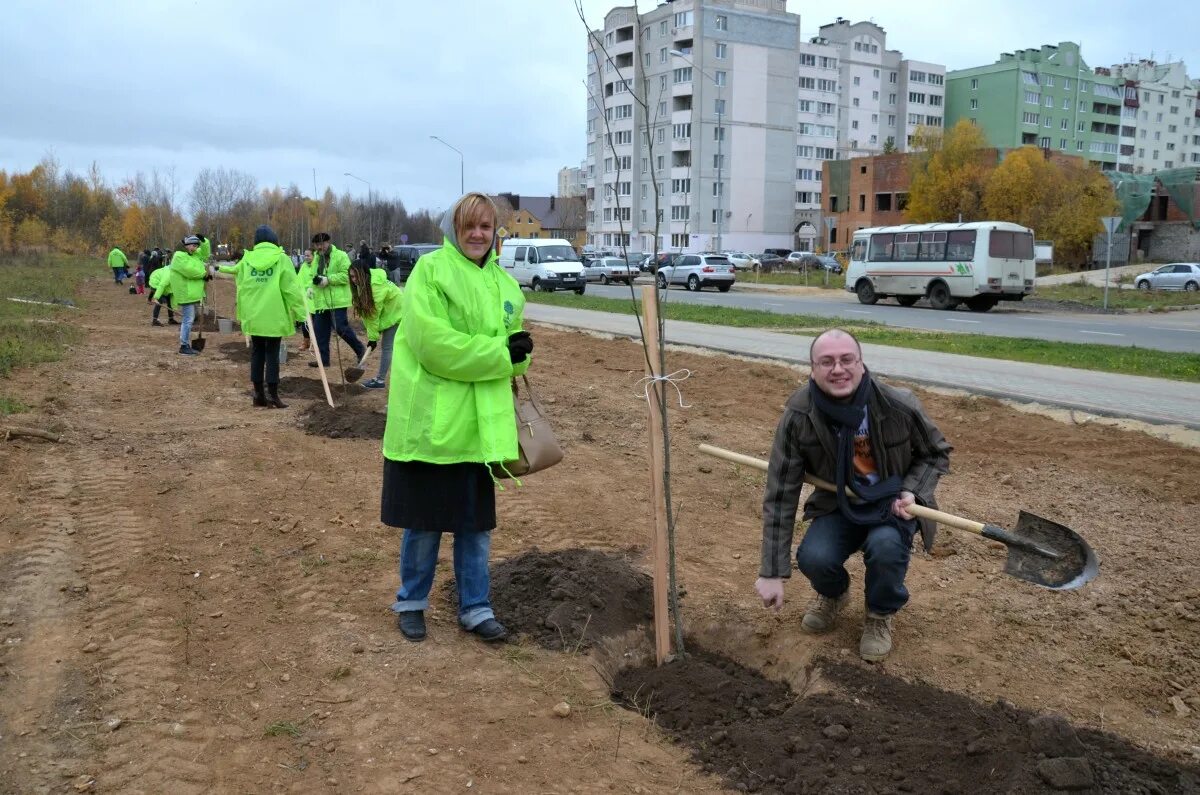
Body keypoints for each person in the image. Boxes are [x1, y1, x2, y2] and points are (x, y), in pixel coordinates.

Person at [382, 192, 532, 644]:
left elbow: (511, 350)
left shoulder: (505, 285)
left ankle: (476, 608)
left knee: (475, 527)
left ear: (494, 233)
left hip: (481, 427)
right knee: (425, 524)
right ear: (453, 228)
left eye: (486, 227)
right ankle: (411, 602)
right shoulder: (430, 272)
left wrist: (520, 356)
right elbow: (434, 347)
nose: (478, 234)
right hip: (435, 424)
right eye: (469, 225)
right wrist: (502, 354)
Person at [755, 328, 951, 662]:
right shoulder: (799, 416)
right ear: (813, 369)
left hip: (892, 505)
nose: (838, 369)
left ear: (861, 364)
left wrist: (912, 491)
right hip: (838, 504)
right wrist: (771, 571)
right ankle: (834, 594)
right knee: (814, 557)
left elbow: (936, 453)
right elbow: (781, 493)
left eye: (847, 359)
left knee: (886, 548)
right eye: (826, 361)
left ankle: (878, 613)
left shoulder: (897, 404)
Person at [215, 225, 306, 408]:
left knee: (257, 351)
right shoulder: (281, 259)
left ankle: (258, 394)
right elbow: (291, 289)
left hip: (253, 314)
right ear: (274, 240)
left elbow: (235, 271)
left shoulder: (248, 258)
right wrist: (303, 314)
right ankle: (273, 395)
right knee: (272, 353)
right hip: (274, 314)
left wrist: (217, 269)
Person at [308, 232, 366, 369]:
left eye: (321, 244)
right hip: (321, 301)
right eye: (316, 245)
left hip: (337, 300)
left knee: (341, 328)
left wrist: (329, 280)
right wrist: (311, 287)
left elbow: (347, 276)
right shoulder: (317, 258)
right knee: (320, 330)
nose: (319, 247)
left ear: (328, 242)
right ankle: (323, 360)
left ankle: (360, 350)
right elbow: (313, 275)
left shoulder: (340, 256)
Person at [348, 256, 402, 389]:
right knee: (388, 346)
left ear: (363, 274)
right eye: (351, 277)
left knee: (387, 347)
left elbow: (372, 315)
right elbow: (367, 314)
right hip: (388, 311)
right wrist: (372, 336)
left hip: (397, 312)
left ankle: (380, 380)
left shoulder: (375, 288)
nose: (353, 280)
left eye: (355, 277)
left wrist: (372, 338)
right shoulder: (365, 283)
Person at [168, 234, 211, 355]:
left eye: (197, 245)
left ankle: (185, 344)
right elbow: (189, 271)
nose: (196, 248)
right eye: (193, 245)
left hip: (192, 293)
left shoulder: (194, 255)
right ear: (186, 245)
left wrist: (204, 242)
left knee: (189, 319)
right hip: (185, 293)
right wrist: (204, 274)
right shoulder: (179, 257)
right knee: (188, 319)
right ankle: (184, 346)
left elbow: (206, 254)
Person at [295, 249, 315, 352]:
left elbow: (315, 280)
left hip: (315, 297)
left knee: (316, 323)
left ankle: (315, 343)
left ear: (313, 255)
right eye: (305, 256)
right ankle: (305, 341)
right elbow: (299, 280)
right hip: (305, 298)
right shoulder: (303, 266)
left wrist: (309, 287)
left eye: (308, 255)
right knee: (305, 321)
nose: (306, 257)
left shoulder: (316, 266)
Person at [148, 260, 177, 326]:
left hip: (162, 284)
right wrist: (156, 298)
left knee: (169, 299)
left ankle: (171, 319)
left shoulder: (176, 273)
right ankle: (155, 320)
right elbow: (162, 285)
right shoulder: (168, 275)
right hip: (155, 281)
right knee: (159, 301)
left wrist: (175, 307)